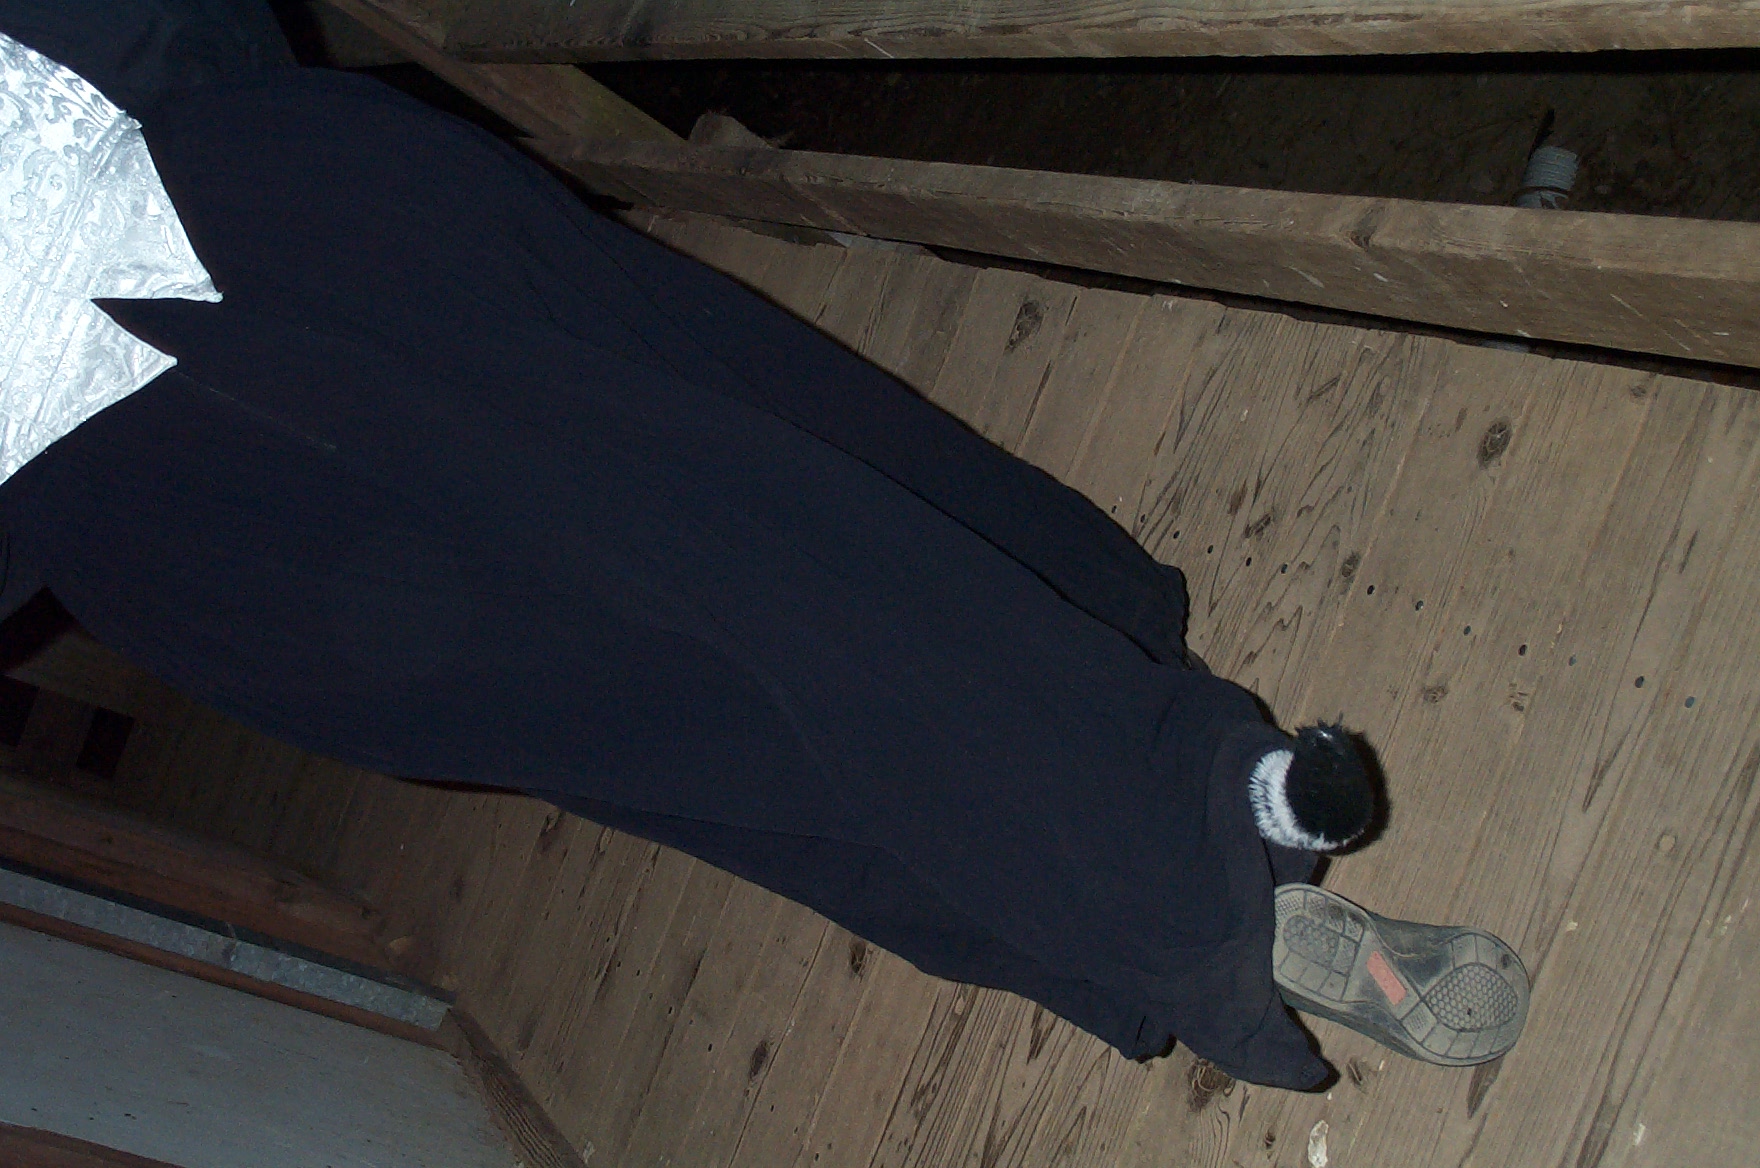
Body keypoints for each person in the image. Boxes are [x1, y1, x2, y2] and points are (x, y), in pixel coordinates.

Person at [0, 0, 1525, 1088]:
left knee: (775, 474)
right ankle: (1195, 882)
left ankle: (1130, 798)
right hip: (145, 477)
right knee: (676, 693)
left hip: (239, 193)